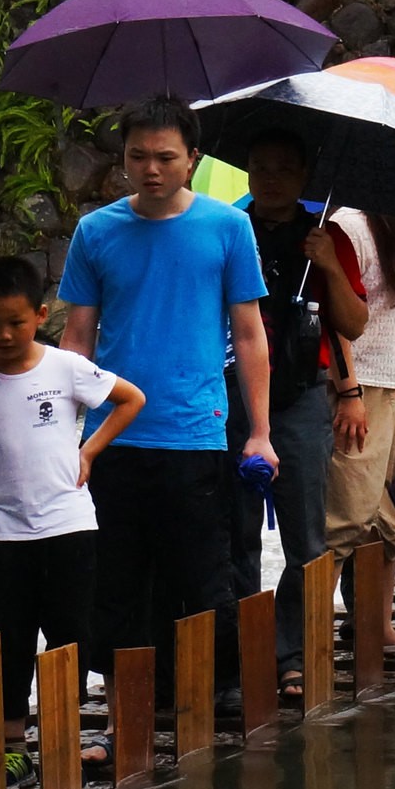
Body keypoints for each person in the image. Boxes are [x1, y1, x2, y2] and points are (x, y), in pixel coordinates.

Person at [58, 95, 271, 753]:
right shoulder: (96, 232)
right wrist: (62, 436)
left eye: (165, 157)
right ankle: (129, 724)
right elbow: (77, 337)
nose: (150, 169)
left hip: (194, 432)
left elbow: (249, 331)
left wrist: (259, 431)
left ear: (193, 160)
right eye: (137, 157)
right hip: (113, 436)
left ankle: (200, 711)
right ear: (122, 159)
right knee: (116, 584)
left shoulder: (226, 228)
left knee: (202, 579)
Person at [0, 257, 146, 789]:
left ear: (41, 315)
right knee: (6, 641)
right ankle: (14, 749)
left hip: (69, 527)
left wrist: (89, 452)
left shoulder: (65, 368)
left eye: (15, 321)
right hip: (2, 536)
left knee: (71, 636)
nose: (4, 333)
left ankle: (61, 737)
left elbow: (131, 399)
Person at [226, 130, 369, 700]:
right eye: (260, 167)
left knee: (307, 540)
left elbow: (353, 324)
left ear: (305, 176)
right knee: (237, 537)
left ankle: (292, 656)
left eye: (285, 168)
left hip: (304, 396)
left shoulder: (326, 235)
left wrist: (330, 265)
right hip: (234, 397)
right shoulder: (231, 228)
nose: (272, 178)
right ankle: (240, 660)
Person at [323, 209, 395, 645]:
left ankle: (378, 625)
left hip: (391, 387)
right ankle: (310, 636)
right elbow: (336, 317)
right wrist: (348, 393)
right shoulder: (347, 226)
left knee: (391, 517)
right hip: (356, 386)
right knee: (344, 516)